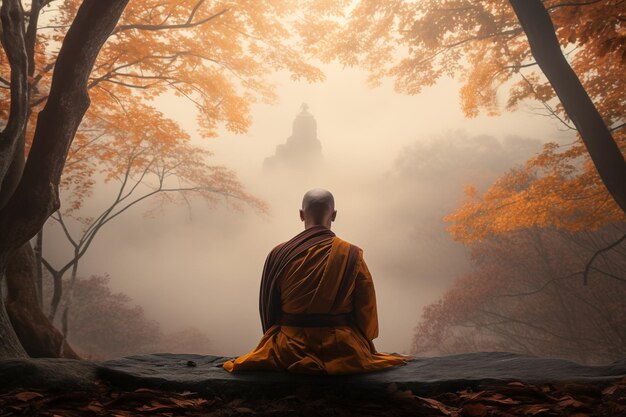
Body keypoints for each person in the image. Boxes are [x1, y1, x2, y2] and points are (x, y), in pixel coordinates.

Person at [222, 188, 411, 374]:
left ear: (301, 215)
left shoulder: (278, 254)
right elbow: (366, 314)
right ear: (334, 215)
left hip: (286, 349)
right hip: (341, 350)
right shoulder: (351, 254)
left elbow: (269, 310)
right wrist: (362, 340)